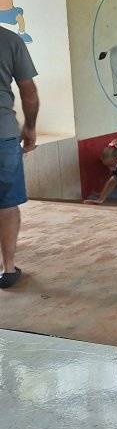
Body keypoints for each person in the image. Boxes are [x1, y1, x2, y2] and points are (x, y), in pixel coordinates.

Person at [0, 27, 37, 290]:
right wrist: (30, 127)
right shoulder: (10, 40)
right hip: (2, 135)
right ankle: (8, 269)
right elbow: (29, 91)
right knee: (6, 204)